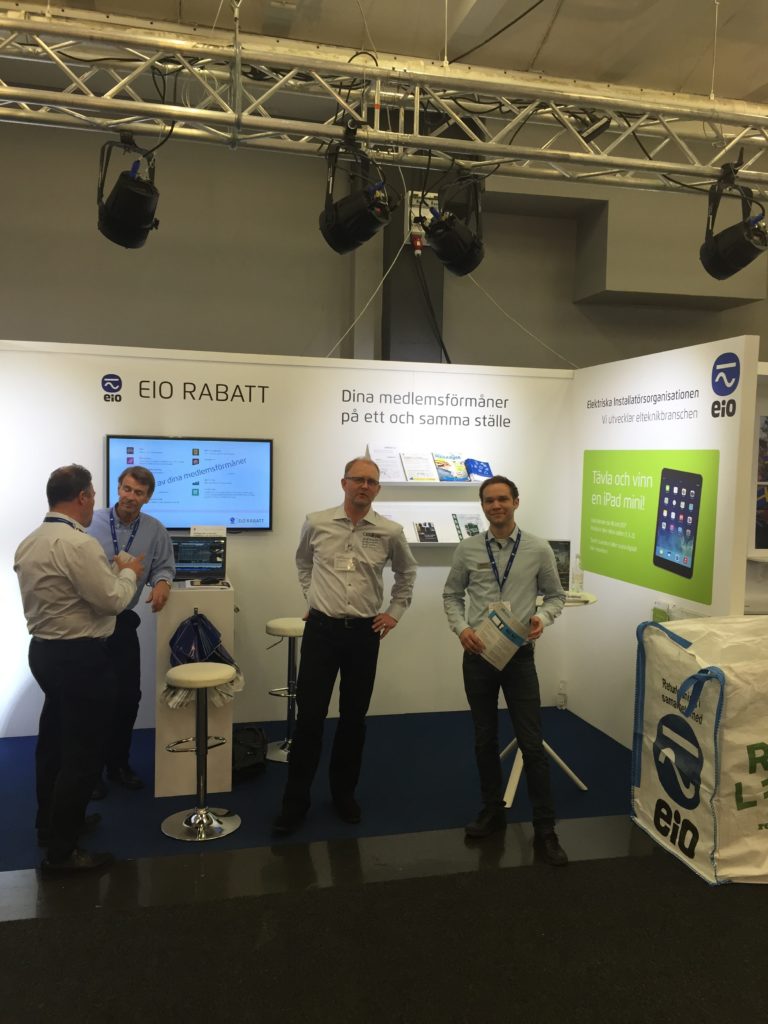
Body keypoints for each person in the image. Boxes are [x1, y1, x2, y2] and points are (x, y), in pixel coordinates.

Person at [273, 457, 417, 835]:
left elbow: (407, 573)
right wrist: (313, 597)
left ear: (378, 489)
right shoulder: (317, 522)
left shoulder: (390, 531)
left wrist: (394, 612)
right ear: (344, 483)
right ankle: (295, 803)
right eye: (358, 480)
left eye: (371, 481)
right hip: (321, 632)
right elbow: (303, 563)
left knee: (354, 719)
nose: (364, 486)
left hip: (364, 636)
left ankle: (343, 794)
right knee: (309, 719)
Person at [14, 464, 144, 874]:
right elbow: (112, 601)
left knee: (53, 743)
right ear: (84, 496)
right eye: (93, 496)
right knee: (82, 756)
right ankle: (63, 853)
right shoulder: (79, 544)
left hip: (45, 654)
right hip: (81, 660)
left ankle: (50, 825)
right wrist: (129, 571)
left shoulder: (30, 542)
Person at [442, 475, 568, 865]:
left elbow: (556, 595)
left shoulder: (537, 548)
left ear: (516, 502)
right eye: (489, 500)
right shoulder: (467, 549)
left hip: (519, 657)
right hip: (478, 654)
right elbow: (451, 595)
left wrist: (543, 618)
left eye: (502, 499)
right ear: (482, 506)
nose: (496, 506)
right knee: (484, 738)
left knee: (531, 742)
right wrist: (461, 628)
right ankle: (492, 811)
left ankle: (545, 829)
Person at [87, 466, 175, 793]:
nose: (131, 497)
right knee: (93, 699)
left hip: (123, 622)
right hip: (88, 622)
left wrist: (163, 583)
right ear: (118, 489)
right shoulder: (90, 523)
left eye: (139, 493)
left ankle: (118, 765)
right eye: (127, 489)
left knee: (127, 697)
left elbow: (164, 566)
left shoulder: (154, 529)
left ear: (147, 498)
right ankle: (90, 773)